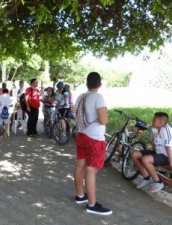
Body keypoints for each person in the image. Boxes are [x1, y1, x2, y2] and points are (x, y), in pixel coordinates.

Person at [73, 72, 112, 215]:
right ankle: (92, 204)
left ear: (87, 84)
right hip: (94, 137)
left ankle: (80, 195)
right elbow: (103, 120)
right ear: (100, 84)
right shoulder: (98, 97)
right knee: (91, 170)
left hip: (81, 134)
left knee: (80, 165)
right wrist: (106, 115)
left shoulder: (80, 97)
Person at [131, 112, 172, 192]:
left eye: (154, 120)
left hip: (167, 156)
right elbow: (155, 143)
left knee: (145, 159)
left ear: (161, 122)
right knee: (134, 154)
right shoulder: (155, 129)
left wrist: (171, 163)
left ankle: (158, 182)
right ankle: (147, 178)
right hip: (158, 153)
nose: (152, 121)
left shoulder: (166, 129)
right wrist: (152, 153)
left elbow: (168, 146)